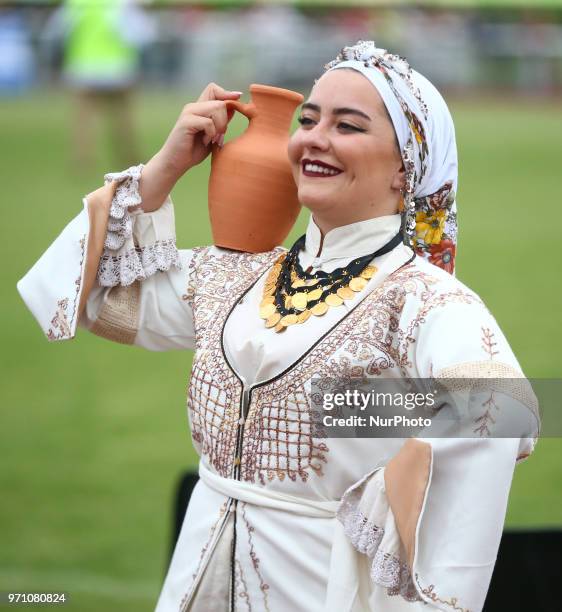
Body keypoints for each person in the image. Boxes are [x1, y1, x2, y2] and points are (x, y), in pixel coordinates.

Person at [17, 41, 539, 612]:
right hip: (198, 577)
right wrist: (165, 167)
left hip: (323, 586)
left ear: (404, 168)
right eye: (309, 119)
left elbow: (508, 410)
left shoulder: (424, 299)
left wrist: (342, 409)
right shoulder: (237, 273)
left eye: (348, 126)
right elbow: (86, 295)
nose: (314, 137)